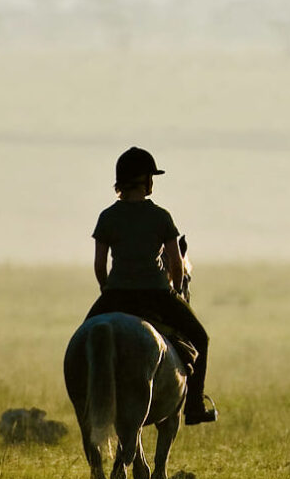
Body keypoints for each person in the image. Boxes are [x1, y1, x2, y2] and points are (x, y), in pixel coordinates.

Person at [86, 147, 218, 425]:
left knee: (86, 338)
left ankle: (87, 397)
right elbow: (176, 263)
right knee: (201, 339)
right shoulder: (160, 217)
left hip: (116, 295)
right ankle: (194, 406)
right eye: (151, 177)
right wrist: (177, 290)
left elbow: (100, 266)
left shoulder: (107, 217)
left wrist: (107, 291)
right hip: (156, 295)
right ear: (145, 181)